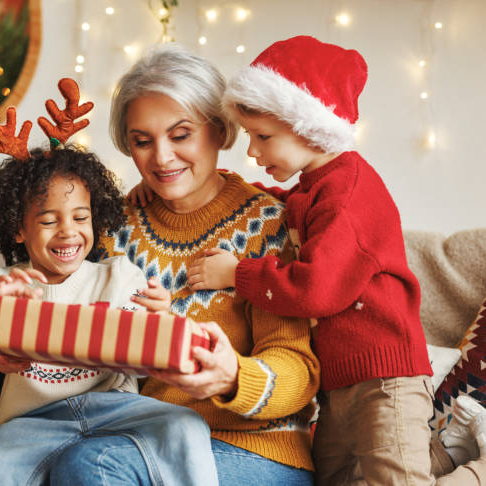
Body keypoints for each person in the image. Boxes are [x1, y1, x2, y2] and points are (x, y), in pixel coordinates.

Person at [180, 35, 486, 485]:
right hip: (339, 382)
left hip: (385, 378)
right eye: (250, 136)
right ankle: (450, 457)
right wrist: (231, 191)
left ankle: (476, 472)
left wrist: (237, 273)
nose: (252, 151)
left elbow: (316, 287)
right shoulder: (315, 186)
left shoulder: (348, 193)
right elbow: (288, 206)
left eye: (263, 137)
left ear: (309, 128)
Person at [52, 43, 321, 486]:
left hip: (256, 448)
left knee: (92, 465)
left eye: (180, 135)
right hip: (142, 436)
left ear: (218, 130)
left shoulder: (267, 225)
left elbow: (298, 371)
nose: (161, 158)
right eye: (143, 142)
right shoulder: (113, 230)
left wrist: (233, 377)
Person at [0, 110, 220, 484]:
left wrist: (162, 321)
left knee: (185, 425)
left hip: (116, 408)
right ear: (19, 229)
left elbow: (146, 364)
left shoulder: (119, 275)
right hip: (33, 421)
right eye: (49, 221)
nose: (68, 233)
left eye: (81, 218)